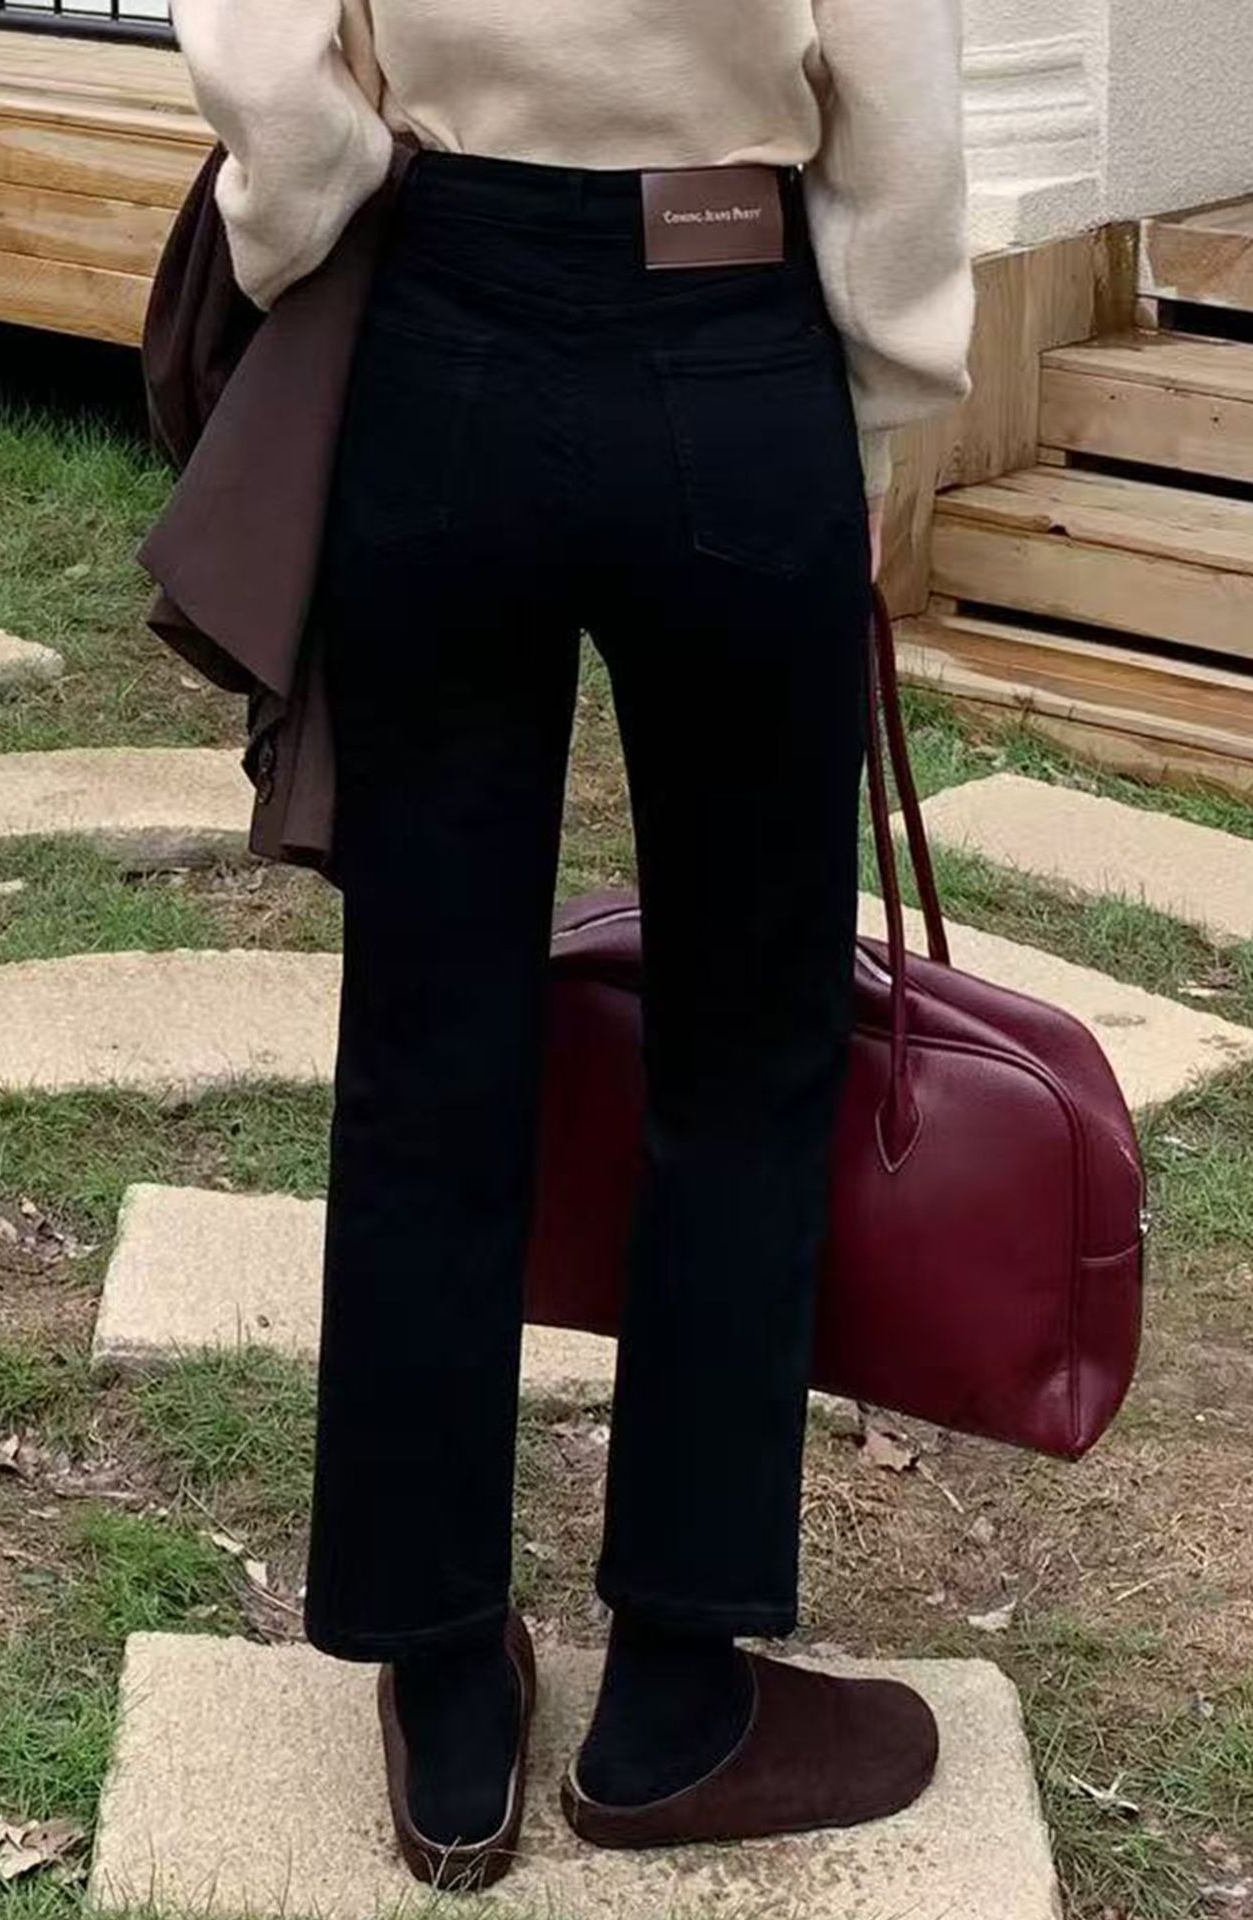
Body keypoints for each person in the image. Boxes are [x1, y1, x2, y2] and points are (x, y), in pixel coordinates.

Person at [167, 0, 975, 1890]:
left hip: (446, 333)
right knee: (748, 1044)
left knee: (431, 1045)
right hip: (735, 333)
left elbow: (268, 61)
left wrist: (317, 214)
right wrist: (870, 398)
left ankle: (446, 1683)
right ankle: (678, 1696)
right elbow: (903, 107)